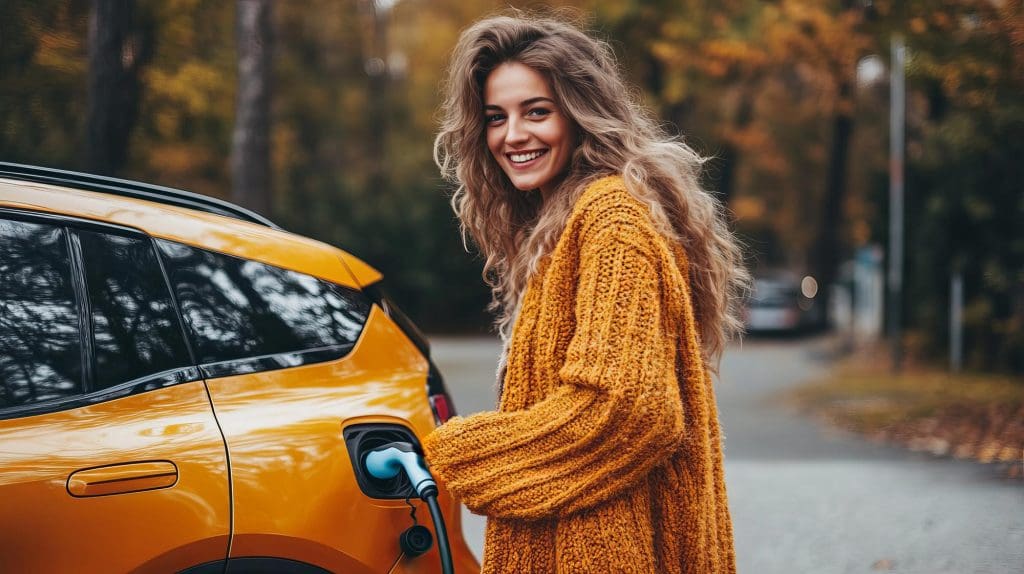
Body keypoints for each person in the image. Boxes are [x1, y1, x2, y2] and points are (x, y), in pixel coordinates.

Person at [423, 12, 748, 574]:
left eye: (537, 112)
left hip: (604, 551)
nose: (512, 135)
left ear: (580, 113)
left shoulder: (609, 219)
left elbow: (627, 409)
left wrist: (456, 452)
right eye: (496, 118)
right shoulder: (562, 224)